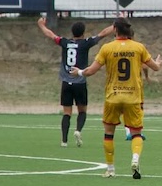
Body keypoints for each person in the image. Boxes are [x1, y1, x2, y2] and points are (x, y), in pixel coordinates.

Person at [71, 17, 162, 179]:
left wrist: (78, 72)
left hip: (113, 97)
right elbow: (154, 67)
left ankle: (111, 169)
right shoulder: (138, 47)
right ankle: (135, 159)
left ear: (115, 29)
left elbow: (91, 71)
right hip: (132, 97)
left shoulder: (107, 48)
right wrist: (159, 63)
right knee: (136, 133)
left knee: (108, 134)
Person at [38, 17, 114, 147]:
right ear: (83, 32)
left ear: (72, 32)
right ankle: (78, 130)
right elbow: (102, 34)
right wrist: (115, 26)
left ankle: (64, 141)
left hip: (66, 83)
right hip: (80, 82)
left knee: (67, 112)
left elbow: (50, 35)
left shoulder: (64, 42)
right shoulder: (85, 43)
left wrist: (41, 25)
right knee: (82, 110)